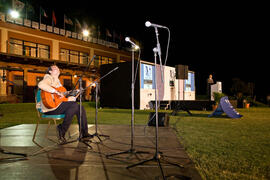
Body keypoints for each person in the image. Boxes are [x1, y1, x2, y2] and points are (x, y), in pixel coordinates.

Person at [38, 65, 93, 143]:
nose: (58, 69)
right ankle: (64, 130)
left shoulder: (58, 82)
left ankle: (83, 133)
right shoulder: (48, 77)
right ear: (50, 71)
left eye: (58, 68)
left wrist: (74, 94)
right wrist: (56, 92)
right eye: (55, 68)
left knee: (79, 107)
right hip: (50, 108)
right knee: (75, 106)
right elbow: (41, 85)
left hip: (59, 106)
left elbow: (62, 98)